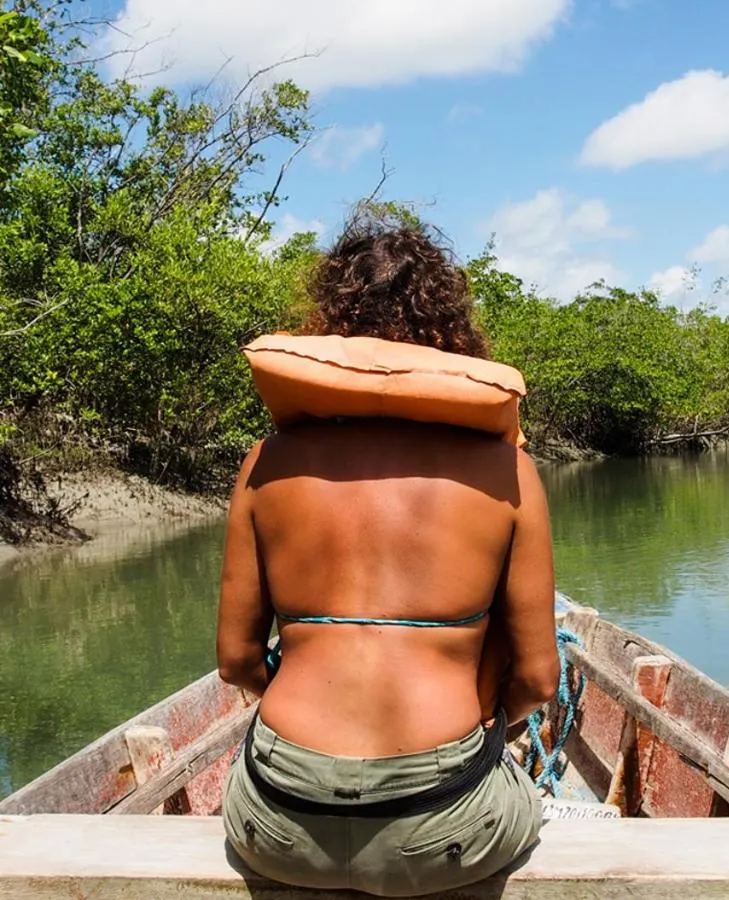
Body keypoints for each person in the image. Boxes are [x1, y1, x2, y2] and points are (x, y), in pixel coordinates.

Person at [216, 212, 559, 897]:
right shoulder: (507, 472)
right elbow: (538, 681)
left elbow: (237, 662)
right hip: (444, 827)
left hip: (280, 818)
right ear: (451, 332)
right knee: (520, 800)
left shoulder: (267, 463)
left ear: (330, 325)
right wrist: (486, 724)